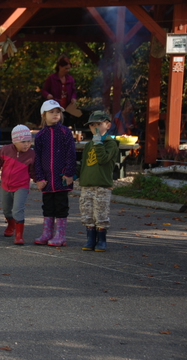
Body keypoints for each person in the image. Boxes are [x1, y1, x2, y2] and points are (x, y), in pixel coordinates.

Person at [34, 100, 77, 247]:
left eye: (57, 112)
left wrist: (69, 172)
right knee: (48, 206)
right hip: (46, 179)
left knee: (61, 205)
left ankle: (60, 235)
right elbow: (37, 159)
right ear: (43, 115)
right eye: (51, 112)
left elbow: (71, 154)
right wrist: (39, 178)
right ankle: (47, 233)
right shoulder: (40, 136)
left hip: (61, 178)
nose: (55, 114)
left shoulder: (65, 132)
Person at [78, 111, 119, 252]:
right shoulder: (89, 145)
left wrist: (98, 142)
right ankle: (90, 238)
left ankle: (101, 240)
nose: (95, 128)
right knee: (87, 212)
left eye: (99, 124)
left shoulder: (111, 144)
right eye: (92, 125)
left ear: (107, 125)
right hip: (87, 184)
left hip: (102, 185)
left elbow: (102, 159)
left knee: (100, 213)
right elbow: (84, 164)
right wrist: (75, 175)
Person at [0, 125, 35, 245]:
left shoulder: (31, 154)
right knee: (7, 210)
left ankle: (19, 235)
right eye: (23, 142)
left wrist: (39, 180)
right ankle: (11, 226)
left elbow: (33, 170)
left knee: (17, 209)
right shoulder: (5, 150)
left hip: (21, 186)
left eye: (29, 141)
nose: (27, 144)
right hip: (6, 185)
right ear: (15, 141)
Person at [41, 55, 77, 126]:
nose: (67, 70)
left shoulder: (70, 79)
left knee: (65, 126)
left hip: (67, 108)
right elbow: (44, 91)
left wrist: (73, 98)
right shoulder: (51, 78)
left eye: (69, 69)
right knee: (55, 126)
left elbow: (74, 91)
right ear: (60, 67)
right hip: (54, 108)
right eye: (66, 68)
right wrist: (48, 95)